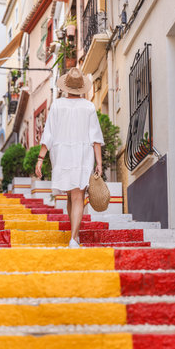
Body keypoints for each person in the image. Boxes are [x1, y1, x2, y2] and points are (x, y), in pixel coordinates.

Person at [35, 68, 104, 248]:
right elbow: (95, 137)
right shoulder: (88, 106)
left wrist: (40, 159)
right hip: (82, 155)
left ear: (66, 87)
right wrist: (99, 163)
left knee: (70, 196)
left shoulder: (57, 105)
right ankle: (74, 237)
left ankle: (74, 236)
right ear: (82, 88)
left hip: (62, 155)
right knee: (77, 197)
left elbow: (48, 134)